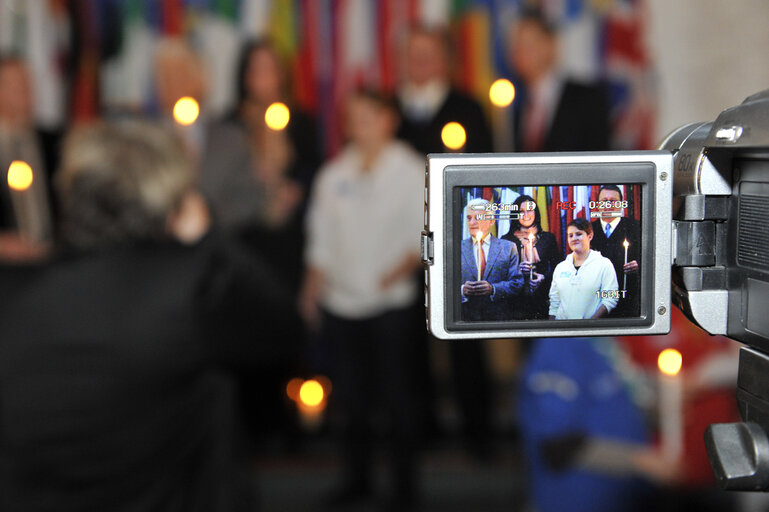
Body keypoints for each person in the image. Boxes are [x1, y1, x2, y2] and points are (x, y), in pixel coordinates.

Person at [0, 122, 302, 511]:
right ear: (171, 199)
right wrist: (208, 238)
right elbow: (283, 330)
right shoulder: (191, 287)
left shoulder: (16, 294)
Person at [300, 89, 424, 510]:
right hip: (342, 306)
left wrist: (386, 278)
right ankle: (358, 480)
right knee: (351, 403)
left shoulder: (411, 170)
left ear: (389, 119)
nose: (360, 124)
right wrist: (312, 288)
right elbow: (320, 239)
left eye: (369, 115)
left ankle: (405, 490)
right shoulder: (333, 174)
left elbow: (420, 236)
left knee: (398, 402)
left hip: (392, 306)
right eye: (352, 117)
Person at [509, 10, 611, 152]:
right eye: (517, 45)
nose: (521, 52)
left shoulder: (586, 99)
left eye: (530, 44)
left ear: (551, 45)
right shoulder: (513, 107)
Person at [397, 25, 493, 154]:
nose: (420, 60)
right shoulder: (388, 108)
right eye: (414, 53)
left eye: (427, 53)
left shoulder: (468, 109)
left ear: (445, 58)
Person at [0, 56, 59, 262]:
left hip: (52, 263)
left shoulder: (55, 143)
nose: (27, 92)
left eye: (28, 83)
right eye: (16, 85)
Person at [461, 197, 527, 321]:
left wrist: (493, 289)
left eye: (478, 217)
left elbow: (517, 283)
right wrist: (462, 289)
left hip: (498, 318)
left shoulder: (508, 247)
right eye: (469, 218)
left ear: (491, 221)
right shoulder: (457, 248)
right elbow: (446, 283)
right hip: (465, 318)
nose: (472, 223)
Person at [501, 194, 563, 319]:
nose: (526, 215)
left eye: (529, 210)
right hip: (514, 303)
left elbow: (559, 269)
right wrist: (517, 269)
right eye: (521, 211)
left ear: (536, 213)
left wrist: (543, 278)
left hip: (542, 299)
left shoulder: (548, 238)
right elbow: (501, 273)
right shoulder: (506, 240)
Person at [549, 218, 619, 320]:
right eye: (570, 235)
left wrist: (588, 325)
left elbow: (610, 299)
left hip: (590, 331)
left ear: (590, 236)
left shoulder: (604, 264)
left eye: (579, 234)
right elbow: (554, 303)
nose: (574, 238)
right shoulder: (560, 267)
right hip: (562, 331)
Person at [590, 185, 641, 317]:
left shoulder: (636, 227)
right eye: (604, 200)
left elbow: (652, 258)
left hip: (628, 299)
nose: (608, 204)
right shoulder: (588, 229)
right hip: (595, 300)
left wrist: (639, 265)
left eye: (613, 201)